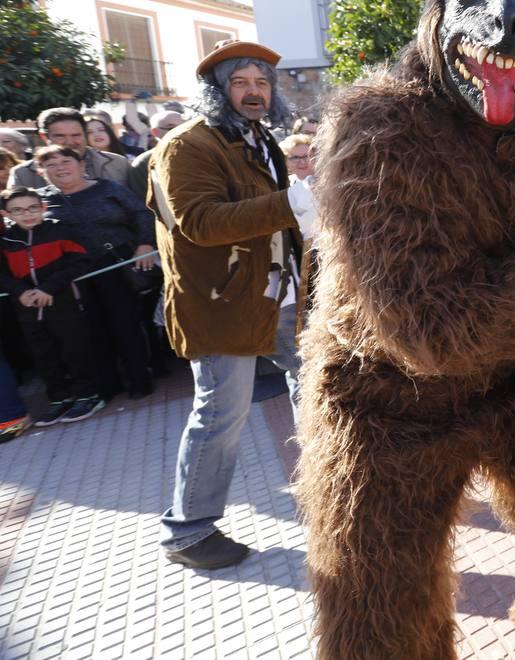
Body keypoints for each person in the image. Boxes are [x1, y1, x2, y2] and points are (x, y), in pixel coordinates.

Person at [151, 39, 312, 570]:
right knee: (222, 413)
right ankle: (187, 530)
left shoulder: (258, 138)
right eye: (241, 82)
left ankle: (325, 490)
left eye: (262, 82)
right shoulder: (187, 144)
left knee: (314, 388)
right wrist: (292, 203)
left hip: (278, 295)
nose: (254, 92)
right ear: (217, 88)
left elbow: (279, 220)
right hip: (220, 304)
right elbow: (201, 223)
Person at [35, 145, 157, 399]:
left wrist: (145, 244)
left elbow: (141, 213)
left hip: (118, 265)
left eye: (66, 160)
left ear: (81, 164)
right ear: (41, 171)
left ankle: (139, 380)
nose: (60, 167)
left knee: (126, 325)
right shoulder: (40, 202)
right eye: (51, 164)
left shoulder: (108, 188)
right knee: (91, 330)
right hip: (73, 275)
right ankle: (108, 386)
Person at [0, 186, 102, 425]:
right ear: (6, 214)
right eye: (18, 210)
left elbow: (82, 261)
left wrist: (49, 287)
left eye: (33, 208)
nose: (27, 214)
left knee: (74, 350)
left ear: (43, 207)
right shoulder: (5, 242)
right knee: (44, 354)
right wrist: (21, 292)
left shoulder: (61, 231)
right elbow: (2, 274)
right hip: (27, 308)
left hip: (63, 301)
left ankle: (89, 395)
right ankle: (59, 398)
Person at [8, 108, 132, 190]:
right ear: (44, 137)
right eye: (60, 136)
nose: (70, 142)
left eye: (76, 135)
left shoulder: (118, 163)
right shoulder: (23, 174)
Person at [127, 110, 185, 204]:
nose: (181, 132)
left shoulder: (203, 155)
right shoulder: (143, 163)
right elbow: (143, 205)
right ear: (155, 132)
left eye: (186, 127)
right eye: (172, 128)